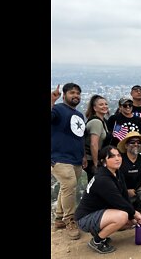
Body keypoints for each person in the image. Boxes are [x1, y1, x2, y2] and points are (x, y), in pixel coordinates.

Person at [75, 145, 141, 254]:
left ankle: (100, 233)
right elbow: (118, 202)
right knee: (122, 216)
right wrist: (135, 213)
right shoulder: (103, 179)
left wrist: (133, 216)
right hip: (85, 218)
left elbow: (124, 197)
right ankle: (97, 241)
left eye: (118, 155)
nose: (117, 158)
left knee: (130, 222)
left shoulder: (117, 173)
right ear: (104, 161)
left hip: (99, 213)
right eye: (112, 157)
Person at [51, 83, 86, 240]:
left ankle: (59, 218)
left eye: (78, 93)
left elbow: (80, 136)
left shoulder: (79, 115)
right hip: (58, 156)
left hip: (76, 158)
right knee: (70, 184)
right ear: (64, 95)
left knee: (67, 187)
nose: (76, 95)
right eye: (72, 92)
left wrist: (83, 155)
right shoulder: (57, 109)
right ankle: (69, 219)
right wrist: (51, 101)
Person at [84, 94, 111, 182]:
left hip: (99, 159)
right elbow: (93, 144)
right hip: (93, 160)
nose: (104, 106)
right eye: (101, 104)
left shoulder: (103, 122)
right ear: (95, 108)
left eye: (106, 104)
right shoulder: (96, 122)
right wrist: (96, 164)